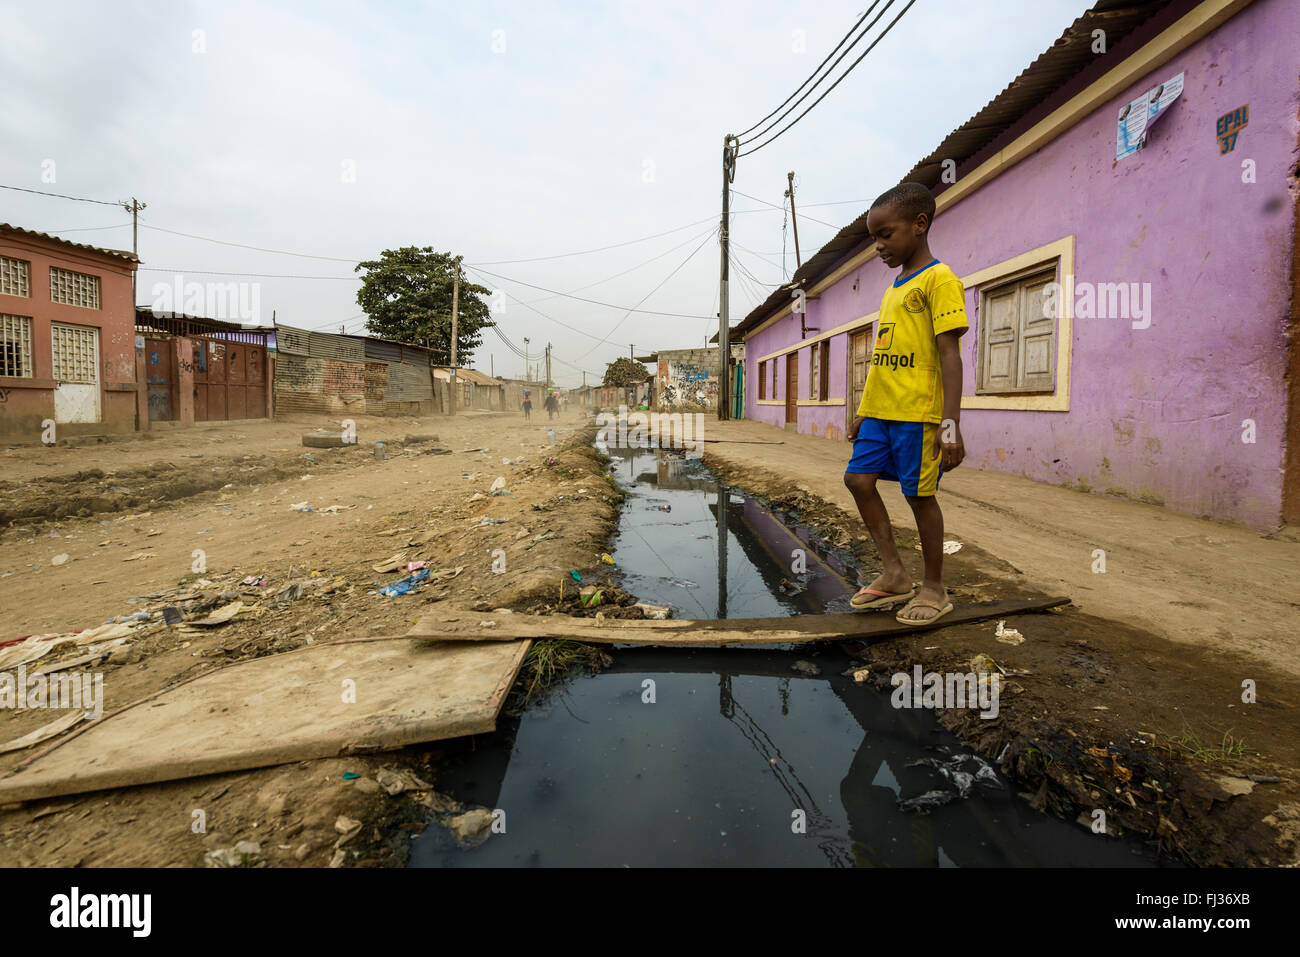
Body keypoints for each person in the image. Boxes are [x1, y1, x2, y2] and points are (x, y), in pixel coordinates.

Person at [843, 182, 968, 625]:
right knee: (858, 480)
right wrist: (863, 410)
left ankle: (935, 587)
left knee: (919, 496)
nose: (878, 245)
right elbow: (882, 357)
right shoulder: (894, 289)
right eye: (874, 236)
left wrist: (950, 424)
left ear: (919, 225)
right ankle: (895, 575)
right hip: (881, 412)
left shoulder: (940, 280)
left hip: (919, 414)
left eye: (885, 234)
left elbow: (949, 356)